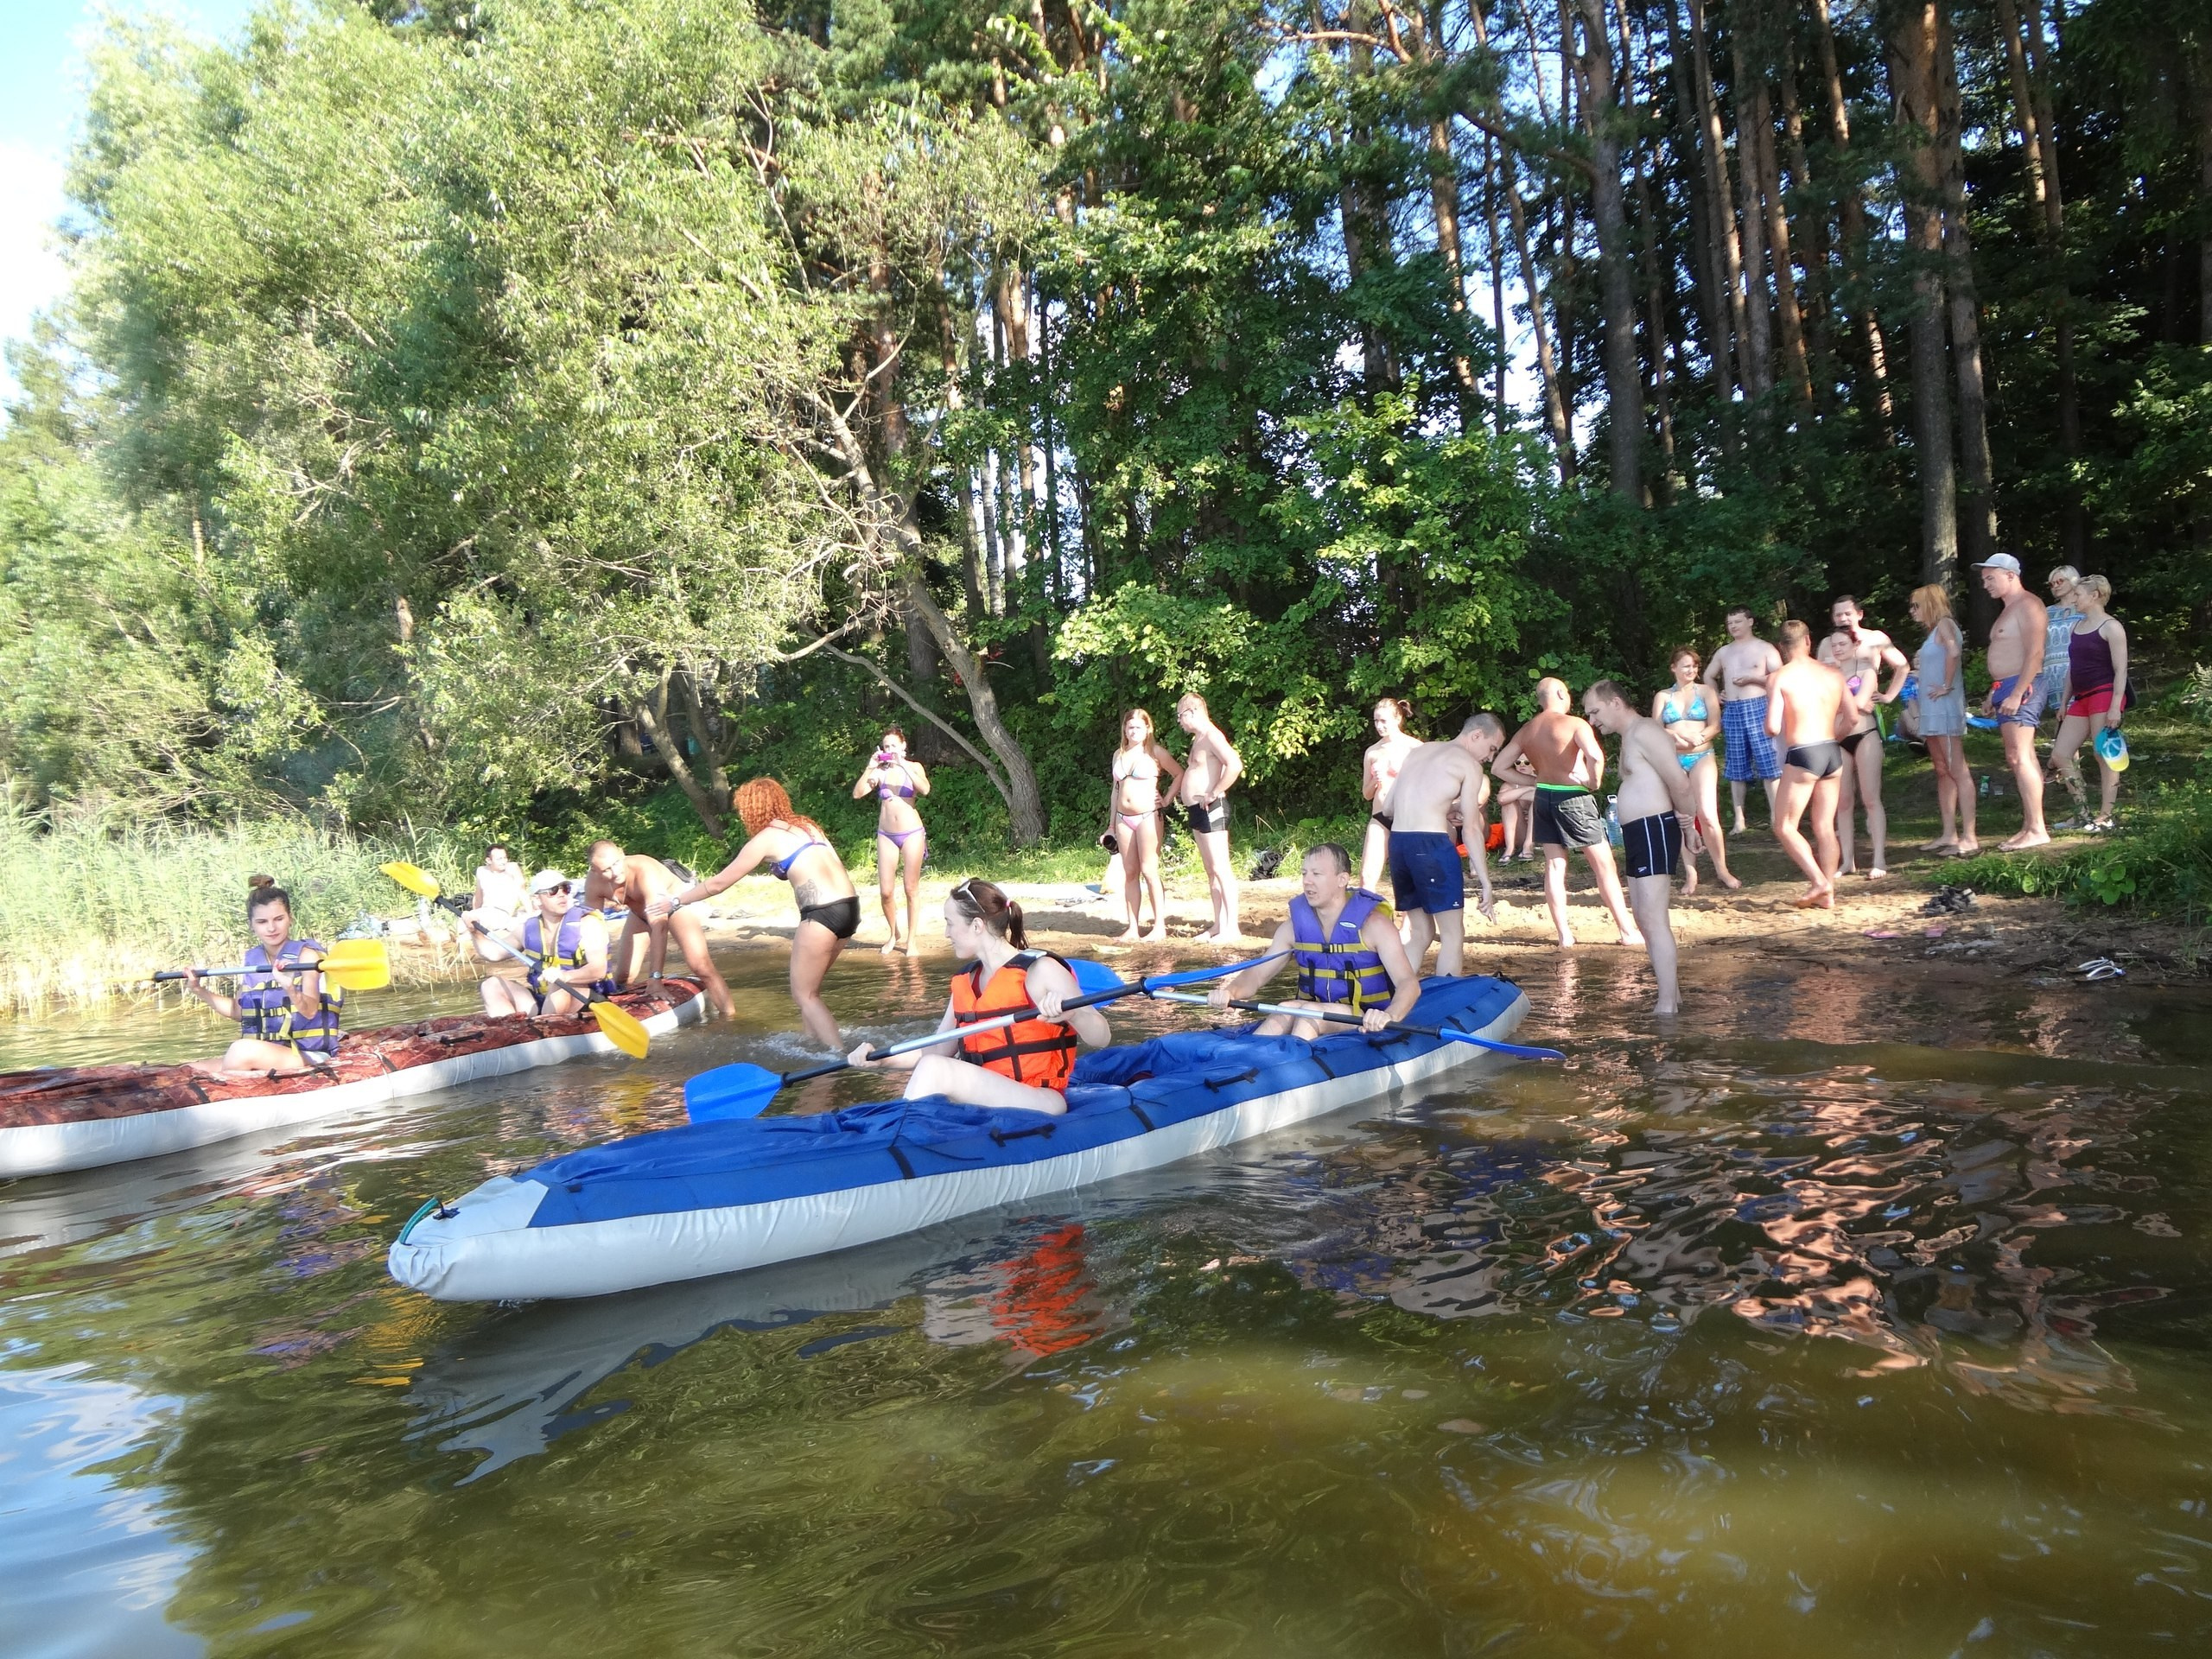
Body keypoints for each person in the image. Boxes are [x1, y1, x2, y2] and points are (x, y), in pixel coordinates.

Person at [848, 878, 1111, 1116]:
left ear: (976, 925)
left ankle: (900, 1143)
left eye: (950, 924)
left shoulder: (1041, 970)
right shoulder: (966, 981)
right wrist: (881, 1059)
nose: (946, 934)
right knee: (933, 1063)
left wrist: (1074, 1014)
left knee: (935, 1069)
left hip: (1041, 1100)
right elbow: (938, 1048)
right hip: (989, 1096)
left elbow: (1102, 1036)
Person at [653, 779, 857, 1048]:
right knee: (810, 990)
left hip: (821, 915)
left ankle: (840, 1058)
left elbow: (718, 883)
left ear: (753, 810)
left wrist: (676, 901)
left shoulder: (766, 839)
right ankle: (811, 1042)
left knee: (804, 994)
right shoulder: (808, 827)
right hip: (850, 908)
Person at [1206, 843, 1422, 1038]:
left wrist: (1389, 1016)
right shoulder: (1292, 929)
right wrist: (1230, 992)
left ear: (1342, 880)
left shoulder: (1375, 927)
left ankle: (1289, 1066)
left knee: (1310, 1013)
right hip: (1313, 1009)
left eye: (1317, 874)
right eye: (1304, 873)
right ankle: (1248, 1063)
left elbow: (1408, 983)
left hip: (1363, 1016)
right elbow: (1257, 974)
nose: (1307, 881)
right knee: (1284, 1008)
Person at [1491, 681, 1640, 950]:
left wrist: (1535, 782)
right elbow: (1595, 756)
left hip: (1544, 797)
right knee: (1603, 866)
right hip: (1573, 798)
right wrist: (1593, 783)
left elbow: (1499, 768)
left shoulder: (1528, 729)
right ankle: (1627, 931)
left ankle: (1565, 936)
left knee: (1555, 867)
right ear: (1562, 694)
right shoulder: (1575, 724)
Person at [1583, 682, 1702, 1014]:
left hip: (1654, 828)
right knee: (1642, 917)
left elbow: (1678, 780)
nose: (1592, 722)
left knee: (1653, 917)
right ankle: (1671, 996)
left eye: (1595, 712)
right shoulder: (1630, 736)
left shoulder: (1646, 731)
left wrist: (1688, 824)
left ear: (1616, 702)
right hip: (1640, 832)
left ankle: (1667, 1006)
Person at [185, 880, 344, 1077]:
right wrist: (198, 990)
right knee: (191, 1069)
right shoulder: (253, 960)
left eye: (278, 919)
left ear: (290, 919)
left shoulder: (307, 956)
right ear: (251, 925)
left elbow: (310, 1011)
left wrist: (290, 988)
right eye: (262, 922)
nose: (271, 928)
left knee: (240, 1050)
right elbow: (238, 1012)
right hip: (271, 1051)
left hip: (308, 1053)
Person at [1387, 712, 1503, 975]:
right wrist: (1485, 880)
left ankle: (1392, 998)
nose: (1490, 757)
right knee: (1452, 934)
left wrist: (1441, 808)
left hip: (1399, 845)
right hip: (1430, 847)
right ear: (1476, 735)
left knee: (1420, 933)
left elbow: (1389, 806)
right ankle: (1447, 1005)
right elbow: (1472, 829)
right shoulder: (1469, 766)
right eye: (1492, 748)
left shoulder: (1419, 751)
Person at [582, 841, 735, 1019]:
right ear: (594, 870)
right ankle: (628, 1018)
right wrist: (586, 973)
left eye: (616, 864)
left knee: (700, 966)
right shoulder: (593, 883)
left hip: (674, 907)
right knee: (623, 977)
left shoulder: (644, 870)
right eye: (606, 869)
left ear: (622, 854)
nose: (615, 872)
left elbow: (659, 926)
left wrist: (656, 978)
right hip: (639, 915)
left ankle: (730, 1018)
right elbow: (592, 930)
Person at [1818, 596, 1910, 879]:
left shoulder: (1869, 662)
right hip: (1836, 736)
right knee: (1843, 801)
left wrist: (1887, 696)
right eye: (1838, 615)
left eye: (1842, 645)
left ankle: (1879, 858)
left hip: (1865, 733)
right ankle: (1847, 860)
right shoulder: (1828, 665)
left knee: (1871, 798)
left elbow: (1860, 703)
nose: (1837, 648)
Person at [1765, 620, 1851, 909]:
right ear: (1808, 641)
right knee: (1825, 825)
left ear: (1781, 647)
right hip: (1831, 750)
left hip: (1804, 751)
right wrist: (1833, 738)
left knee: (1784, 825)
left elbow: (1772, 726)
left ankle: (1818, 880)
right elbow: (1851, 717)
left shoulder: (1780, 677)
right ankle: (1828, 895)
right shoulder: (1833, 673)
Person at [1976, 552, 2052, 850]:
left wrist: (2018, 692)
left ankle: (2037, 828)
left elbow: (2035, 653)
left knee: (2020, 756)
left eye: (1990, 578)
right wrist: (1992, 694)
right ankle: (2030, 825)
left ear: (2010, 575)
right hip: (2006, 686)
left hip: (2024, 686)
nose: (1986, 585)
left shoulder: (2029, 604)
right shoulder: (2009, 609)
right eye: (1984, 580)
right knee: (2019, 756)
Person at [1650, 648, 1738, 894]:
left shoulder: (1706, 691)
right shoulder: (1663, 696)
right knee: (1684, 818)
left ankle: (1722, 869)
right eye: (1686, 666)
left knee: (1708, 815)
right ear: (1673, 668)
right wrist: (1676, 735)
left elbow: (1715, 724)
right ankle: (1691, 873)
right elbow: (1655, 728)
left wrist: (1699, 737)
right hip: (1674, 759)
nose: (1691, 671)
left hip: (1702, 755)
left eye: (1695, 666)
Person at [2050, 574, 2130, 833]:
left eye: (2078, 595)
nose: (2073, 599)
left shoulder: (2111, 627)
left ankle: (2106, 815)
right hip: (2080, 699)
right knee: (2061, 754)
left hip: (2104, 694)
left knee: (2102, 753)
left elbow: (2121, 670)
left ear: (2094, 596)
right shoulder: (2076, 627)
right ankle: (2082, 813)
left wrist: (2115, 705)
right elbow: (2073, 668)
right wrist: (2064, 701)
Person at [480, 868, 613, 1019]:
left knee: (560, 985)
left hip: (583, 997)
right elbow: (492, 953)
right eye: (553, 891)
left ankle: (542, 1029)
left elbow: (598, 970)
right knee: (491, 985)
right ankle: (512, 1031)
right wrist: (474, 932)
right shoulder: (526, 930)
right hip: (543, 999)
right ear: (537, 900)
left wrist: (564, 976)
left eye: (566, 888)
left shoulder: (588, 924)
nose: (562, 894)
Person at [1908, 584, 1978, 856]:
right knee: (1941, 768)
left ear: (1930, 604)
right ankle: (1949, 832)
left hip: (1944, 706)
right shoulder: (1933, 632)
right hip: (1931, 706)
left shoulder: (1946, 624)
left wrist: (1946, 685)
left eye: (1916, 605)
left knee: (1957, 768)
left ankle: (1970, 836)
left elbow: (1954, 652)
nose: (1913, 611)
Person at [1703, 607, 1783, 834]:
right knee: (1736, 765)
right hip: (1733, 709)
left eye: (1738, 621)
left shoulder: (1765, 648)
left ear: (1750, 621)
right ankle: (1740, 820)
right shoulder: (1724, 652)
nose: (1734, 626)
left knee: (1769, 763)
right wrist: (1716, 694)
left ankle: (1776, 817)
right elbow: (1709, 675)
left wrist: (1753, 678)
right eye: (1730, 623)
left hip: (1759, 707)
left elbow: (1780, 676)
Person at [1105, 708, 1182, 943]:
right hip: (1122, 819)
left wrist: (1167, 799)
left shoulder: (1155, 752)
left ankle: (1159, 926)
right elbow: (1115, 790)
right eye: (1130, 727)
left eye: (1138, 727)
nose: (1133, 731)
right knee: (1130, 872)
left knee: (1149, 870)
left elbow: (1179, 774)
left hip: (1148, 815)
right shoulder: (1119, 754)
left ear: (1148, 729)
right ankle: (1132, 927)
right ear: (1124, 730)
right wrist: (1110, 826)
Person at [852, 728, 931, 956]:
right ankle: (893, 933)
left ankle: (911, 940)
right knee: (886, 891)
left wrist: (902, 763)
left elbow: (925, 789)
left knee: (910, 888)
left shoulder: (913, 767)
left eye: (893, 746)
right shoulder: (879, 771)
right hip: (886, 834)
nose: (890, 750)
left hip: (912, 833)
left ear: (903, 747)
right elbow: (858, 794)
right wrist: (870, 767)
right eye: (886, 747)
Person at [1175, 693, 1245, 943]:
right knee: (1210, 870)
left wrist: (1214, 791)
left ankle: (1232, 928)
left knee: (1221, 868)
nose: (1179, 722)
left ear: (1192, 712)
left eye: (1180, 716)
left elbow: (1234, 764)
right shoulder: (1199, 739)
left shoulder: (1213, 735)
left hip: (1212, 807)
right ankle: (1219, 923)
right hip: (1197, 810)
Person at [2038, 566, 2088, 825]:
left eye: (2059, 581)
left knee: (2065, 749)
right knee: (2068, 749)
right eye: (2050, 583)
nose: (2055, 586)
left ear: (2074, 581)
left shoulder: (2085, 609)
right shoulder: (2046, 613)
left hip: (2081, 681)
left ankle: (2084, 811)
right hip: (2054, 684)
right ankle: (2080, 809)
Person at [1359, 698, 1421, 894]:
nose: (1379, 726)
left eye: (1384, 721)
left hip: (1407, 816)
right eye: (1376, 721)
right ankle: (1368, 919)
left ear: (1398, 719)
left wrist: (1402, 775)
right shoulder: (1372, 752)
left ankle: (1407, 925)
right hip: (1380, 817)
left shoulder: (1415, 747)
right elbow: (1366, 794)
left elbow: (1427, 786)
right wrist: (1374, 780)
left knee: (1407, 876)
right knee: (1367, 875)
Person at [465, 845, 526, 963]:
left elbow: (522, 891)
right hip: (485, 911)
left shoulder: (512, 869)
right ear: (489, 860)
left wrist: (531, 913)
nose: (504, 861)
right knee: (464, 922)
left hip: (501, 913)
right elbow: (478, 895)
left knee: (465, 925)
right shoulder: (482, 871)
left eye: (505, 858)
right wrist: (474, 912)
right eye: (499, 859)